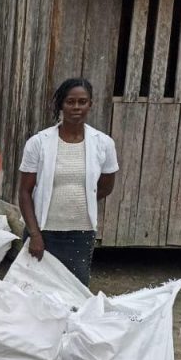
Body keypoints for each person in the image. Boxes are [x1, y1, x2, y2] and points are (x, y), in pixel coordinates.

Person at [18, 77, 118, 285]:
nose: (76, 107)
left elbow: (106, 185)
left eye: (82, 102)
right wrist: (35, 234)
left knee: (74, 292)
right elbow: (25, 192)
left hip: (80, 233)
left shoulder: (103, 143)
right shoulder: (39, 143)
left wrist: (82, 199)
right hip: (44, 232)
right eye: (70, 102)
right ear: (61, 105)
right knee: (34, 293)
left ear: (91, 104)